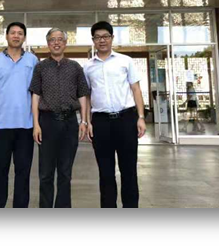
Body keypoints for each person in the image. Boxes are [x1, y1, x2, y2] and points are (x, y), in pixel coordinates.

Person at [84, 21, 146, 208]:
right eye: (97, 37)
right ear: (93, 40)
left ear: (112, 38)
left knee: (129, 170)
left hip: (126, 120)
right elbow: (87, 96)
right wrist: (87, 122)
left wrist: (141, 117)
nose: (102, 40)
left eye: (105, 36)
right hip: (101, 122)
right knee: (105, 172)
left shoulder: (125, 61)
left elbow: (136, 89)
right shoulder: (88, 67)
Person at [29, 28, 90, 208]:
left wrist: (84, 121)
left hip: (70, 123)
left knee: (65, 172)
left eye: (60, 39)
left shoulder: (75, 67)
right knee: (45, 173)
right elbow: (35, 96)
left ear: (65, 43)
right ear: (48, 43)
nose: (56, 43)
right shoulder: (40, 67)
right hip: (47, 123)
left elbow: (83, 95)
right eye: (52, 40)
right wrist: (36, 124)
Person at [0, 22, 38, 208]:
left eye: (20, 33)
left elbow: (36, 93)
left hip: (26, 126)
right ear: (6, 36)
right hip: (0, 126)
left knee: (23, 172)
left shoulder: (32, 61)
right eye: (13, 33)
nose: (16, 36)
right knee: (0, 172)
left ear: (24, 38)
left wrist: (36, 123)